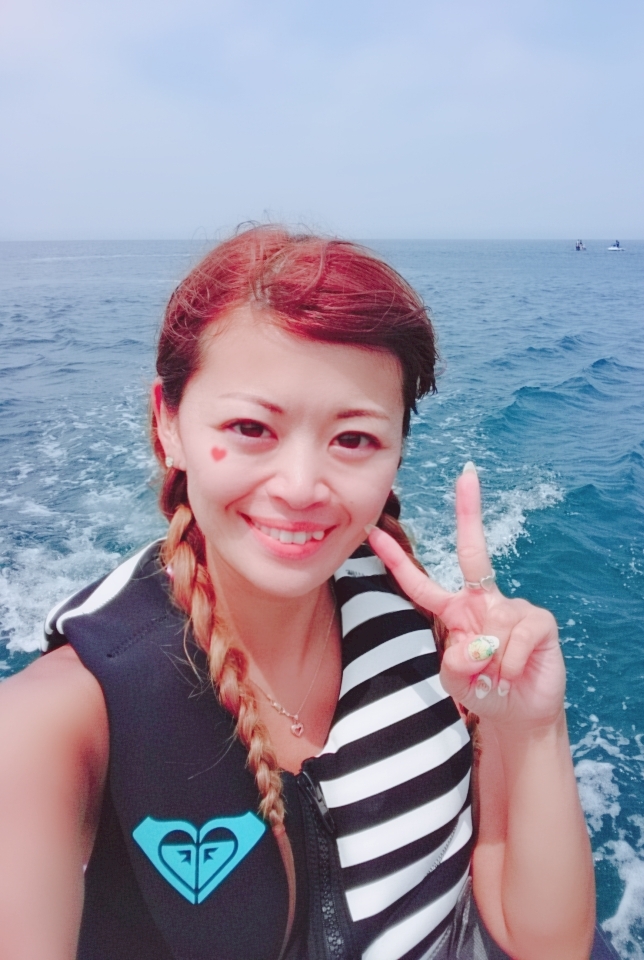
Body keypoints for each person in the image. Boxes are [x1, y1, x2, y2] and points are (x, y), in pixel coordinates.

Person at [0, 226, 607, 960]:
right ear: (169, 424)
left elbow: (547, 944)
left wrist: (531, 728)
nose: (300, 487)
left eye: (353, 439)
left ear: (397, 452)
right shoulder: (63, 720)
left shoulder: (430, 637)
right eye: (251, 427)